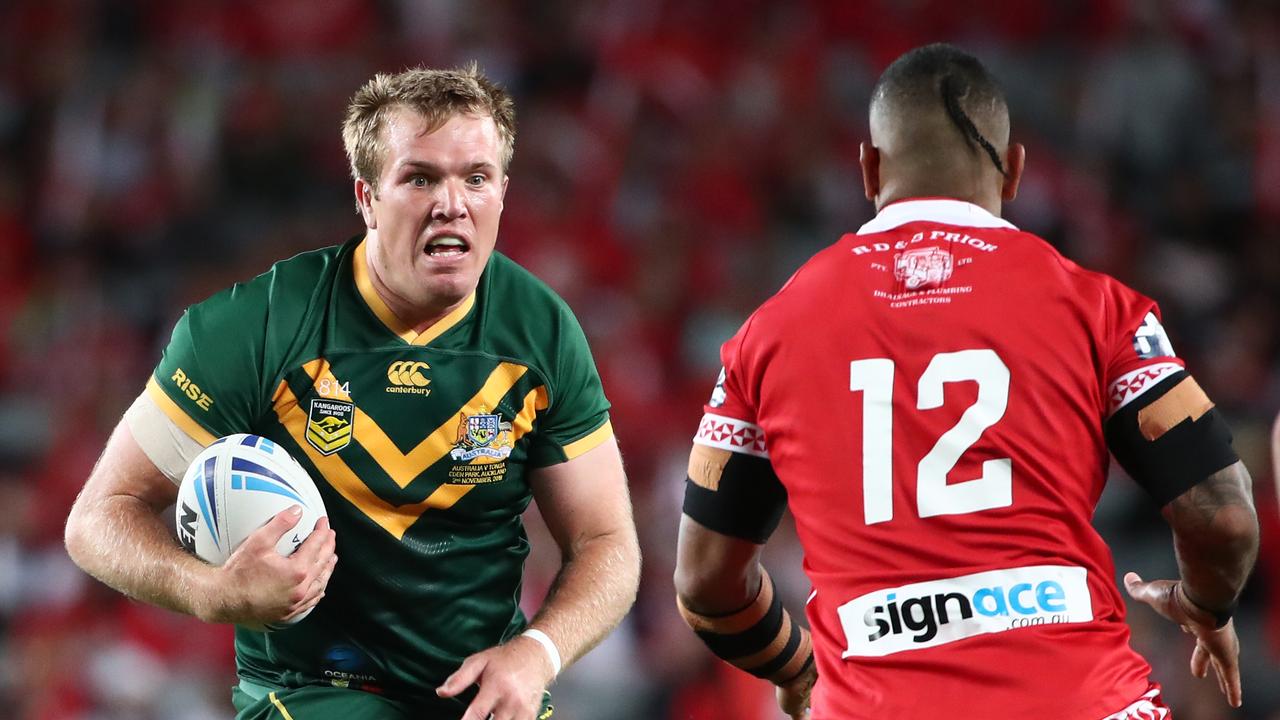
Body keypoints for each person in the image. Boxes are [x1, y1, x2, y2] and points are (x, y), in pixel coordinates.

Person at [673, 43, 1258, 719]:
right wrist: (1205, 606)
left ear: (869, 168)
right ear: (1012, 172)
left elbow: (705, 583)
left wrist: (794, 665)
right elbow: (1223, 517)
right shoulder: (1099, 309)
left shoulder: (764, 337)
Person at [64, 64, 641, 720]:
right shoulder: (257, 326)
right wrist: (213, 593)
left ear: (503, 192)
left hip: (479, 693)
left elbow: (606, 543)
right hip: (313, 689)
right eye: (420, 177)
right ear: (366, 197)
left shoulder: (542, 333)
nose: (452, 203)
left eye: (476, 178)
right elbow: (98, 518)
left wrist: (538, 650)